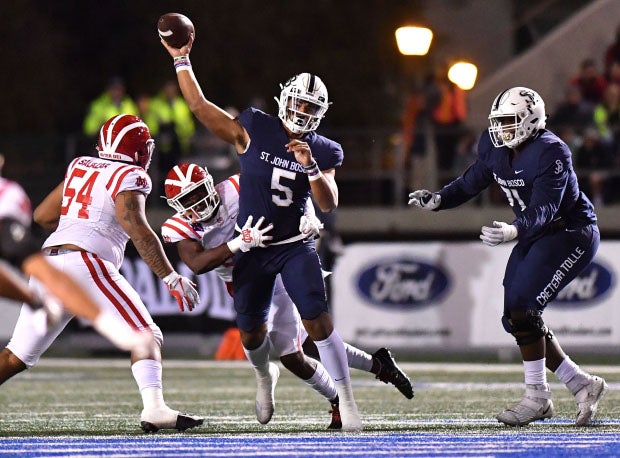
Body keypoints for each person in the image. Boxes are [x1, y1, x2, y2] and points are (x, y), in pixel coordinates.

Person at [161, 34, 362, 430]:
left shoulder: (324, 148)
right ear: (285, 98)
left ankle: (349, 402)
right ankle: (261, 375)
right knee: (251, 333)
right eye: (299, 103)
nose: (302, 111)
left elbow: (328, 203)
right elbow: (199, 107)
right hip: (253, 250)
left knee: (317, 321)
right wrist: (182, 60)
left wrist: (311, 168)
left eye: (311, 107)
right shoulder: (255, 126)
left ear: (321, 113)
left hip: (294, 246)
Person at [408, 87, 607, 427]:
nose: (502, 129)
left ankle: (537, 397)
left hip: (569, 232)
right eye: (498, 122)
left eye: (510, 121)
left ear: (532, 120)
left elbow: (545, 208)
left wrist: (514, 230)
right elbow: (472, 181)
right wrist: (439, 199)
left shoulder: (552, 152)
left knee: (523, 307)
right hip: (535, 233)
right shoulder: (494, 145)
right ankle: (580, 384)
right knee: (515, 317)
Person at [160, 162, 414, 428]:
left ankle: (341, 398)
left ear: (210, 185)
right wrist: (238, 243)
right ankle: (375, 366)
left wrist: (309, 217)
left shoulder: (239, 187)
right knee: (282, 343)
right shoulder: (178, 226)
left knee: (295, 350)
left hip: (278, 263)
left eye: (200, 194)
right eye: (187, 201)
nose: (198, 206)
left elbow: (292, 191)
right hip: (242, 280)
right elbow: (198, 264)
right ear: (176, 205)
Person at [2, 114, 204, 433]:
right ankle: (154, 408)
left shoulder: (81, 164)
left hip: (49, 261)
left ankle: (156, 408)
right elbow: (138, 228)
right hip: (85, 262)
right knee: (146, 334)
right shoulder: (131, 175)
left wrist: (77, 228)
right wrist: (171, 277)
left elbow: (42, 216)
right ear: (140, 150)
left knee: (16, 357)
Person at [0, 156, 152, 354]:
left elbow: (44, 269)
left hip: (60, 257)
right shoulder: (7, 196)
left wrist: (35, 301)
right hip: (78, 258)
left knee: (19, 354)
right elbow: (44, 271)